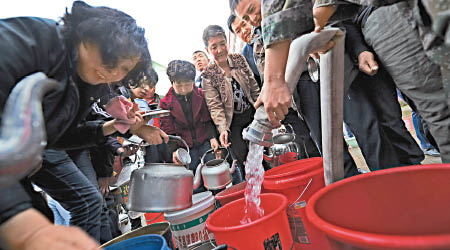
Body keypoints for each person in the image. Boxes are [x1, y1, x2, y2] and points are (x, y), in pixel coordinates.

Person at [0, 1, 168, 249]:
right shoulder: (35, 41)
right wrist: (21, 224)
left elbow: (60, 137)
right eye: (113, 59)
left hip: (21, 169)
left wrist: (113, 126)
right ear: (91, 32)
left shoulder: (82, 83)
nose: (113, 74)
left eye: (124, 69)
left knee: (64, 210)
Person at [201, 25, 260, 173]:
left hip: (252, 116)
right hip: (232, 124)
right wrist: (222, 129)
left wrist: (262, 109)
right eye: (214, 47)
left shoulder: (238, 59)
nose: (220, 50)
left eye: (222, 43)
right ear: (208, 50)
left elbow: (253, 87)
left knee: (263, 153)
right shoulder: (208, 74)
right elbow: (215, 106)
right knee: (244, 161)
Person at [159, 60, 220, 193]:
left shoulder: (200, 95)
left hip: (204, 141)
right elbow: (168, 131)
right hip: (184, 147)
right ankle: (204, 208)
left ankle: (219, 201)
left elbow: (206, 119)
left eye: (187, 84)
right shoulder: (165, 103)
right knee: (195, 182)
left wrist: (212, 138)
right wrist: (174, 150)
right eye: (179, 85)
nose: (183, 89)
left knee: (213, 174)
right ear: (172, 82)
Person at [227, 14, 262, 87]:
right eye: (238, 31)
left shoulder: (265, 31)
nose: (244, 31)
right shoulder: (244, 56)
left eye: (244, 24)